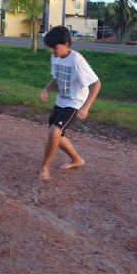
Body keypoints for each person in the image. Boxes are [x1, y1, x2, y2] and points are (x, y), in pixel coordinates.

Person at [39, 26, 101, 180]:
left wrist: (86, 107)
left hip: (75, 103)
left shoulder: (77, 60)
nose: (52, 51)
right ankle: (77, 159)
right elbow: (56, 79)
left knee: (54, 132)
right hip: (61, 101)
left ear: (66, 44)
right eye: (50, 48)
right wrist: (46, 89)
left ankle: (45, 167)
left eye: (55, 47)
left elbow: (96, 83)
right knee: (57, 136)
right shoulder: (55, 57)